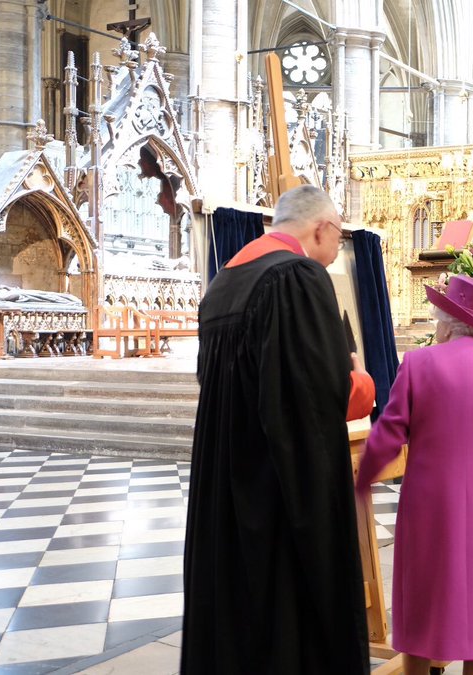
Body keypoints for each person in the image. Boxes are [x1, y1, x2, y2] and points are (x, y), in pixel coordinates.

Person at [182, 186, 376, 674]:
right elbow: (315, 401)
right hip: (275, 492)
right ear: (321, 229)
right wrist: (360, 382)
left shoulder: (224, 284)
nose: (336, 254)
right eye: (339, 237)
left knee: (234, 617)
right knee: (286, 622)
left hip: (225, 486)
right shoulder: (297, 277)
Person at [357, 274, 473, 674]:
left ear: (447, 323)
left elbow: (389, 433)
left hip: (429, 506)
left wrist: (360, 480)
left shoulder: (418, 363)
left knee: (425, 607)